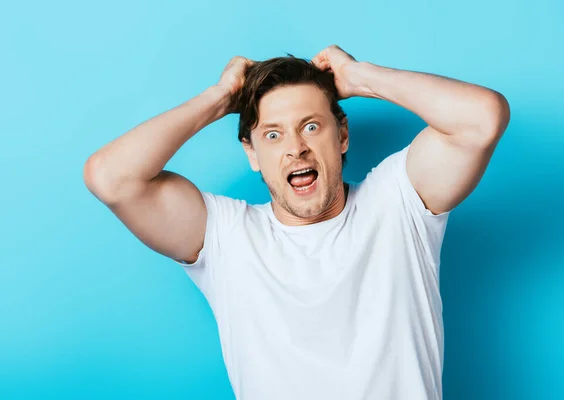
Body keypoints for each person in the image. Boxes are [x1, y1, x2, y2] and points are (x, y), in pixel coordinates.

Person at [83, 44, 510, 400]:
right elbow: (111, 177)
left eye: (310, 126)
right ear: (251, 153)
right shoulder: (225, 237)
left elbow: (481, 118)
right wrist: (219, 99)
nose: (296, 149)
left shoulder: (397, 203)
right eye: (272, 134)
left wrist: (360, 78)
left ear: (341, 135)